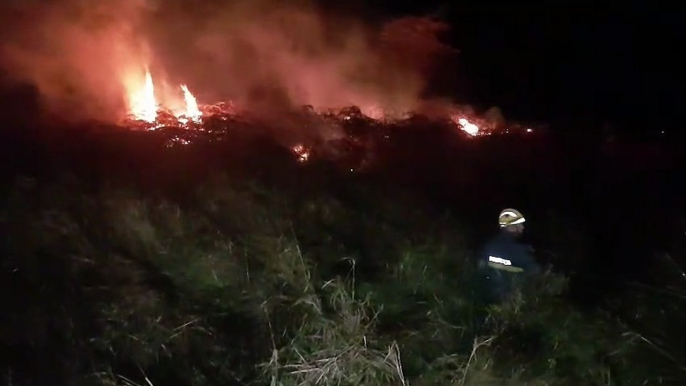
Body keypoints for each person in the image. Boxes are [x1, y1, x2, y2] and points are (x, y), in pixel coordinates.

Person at [477, 208, 541, 304]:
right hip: (511, 303)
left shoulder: (488, 247)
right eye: (520, 225)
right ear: (510, 227)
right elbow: (537, 272)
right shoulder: (518, 251)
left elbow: (480, 270)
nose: (522, 228)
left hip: (488, 301)